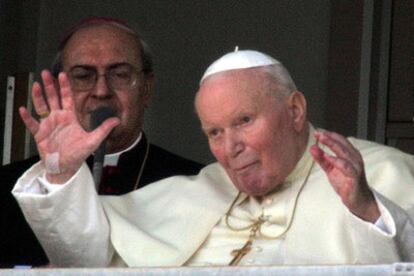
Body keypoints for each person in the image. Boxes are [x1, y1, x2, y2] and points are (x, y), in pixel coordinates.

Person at [12, 49, 414, 267]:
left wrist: (367, 212)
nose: (230, 147)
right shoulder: (197, 190)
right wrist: (62, 173)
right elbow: (85, 262)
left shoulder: (382, 173)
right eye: (215, 132)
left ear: (294, 111)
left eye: (244, 121)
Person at [0, 17, 203, 268]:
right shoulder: (9, 187)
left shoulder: (196, 185)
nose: (101, 91)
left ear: (147, 88)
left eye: (119, 74)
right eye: (83, 76)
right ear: (59, 88)